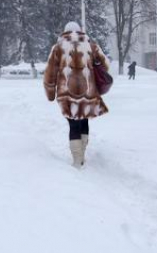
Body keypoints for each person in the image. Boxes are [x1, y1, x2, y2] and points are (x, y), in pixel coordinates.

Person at [44, 21, 110, 168]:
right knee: (84, 121)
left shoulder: (57, 48)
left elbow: (50, 74)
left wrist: (50, 93)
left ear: (64, 32)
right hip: (88, 92)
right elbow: (106, 65)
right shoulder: (91, 46)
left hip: (66, 93)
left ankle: (77, 160)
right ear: (80, 32)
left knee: (73, 124)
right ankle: (82, 154)